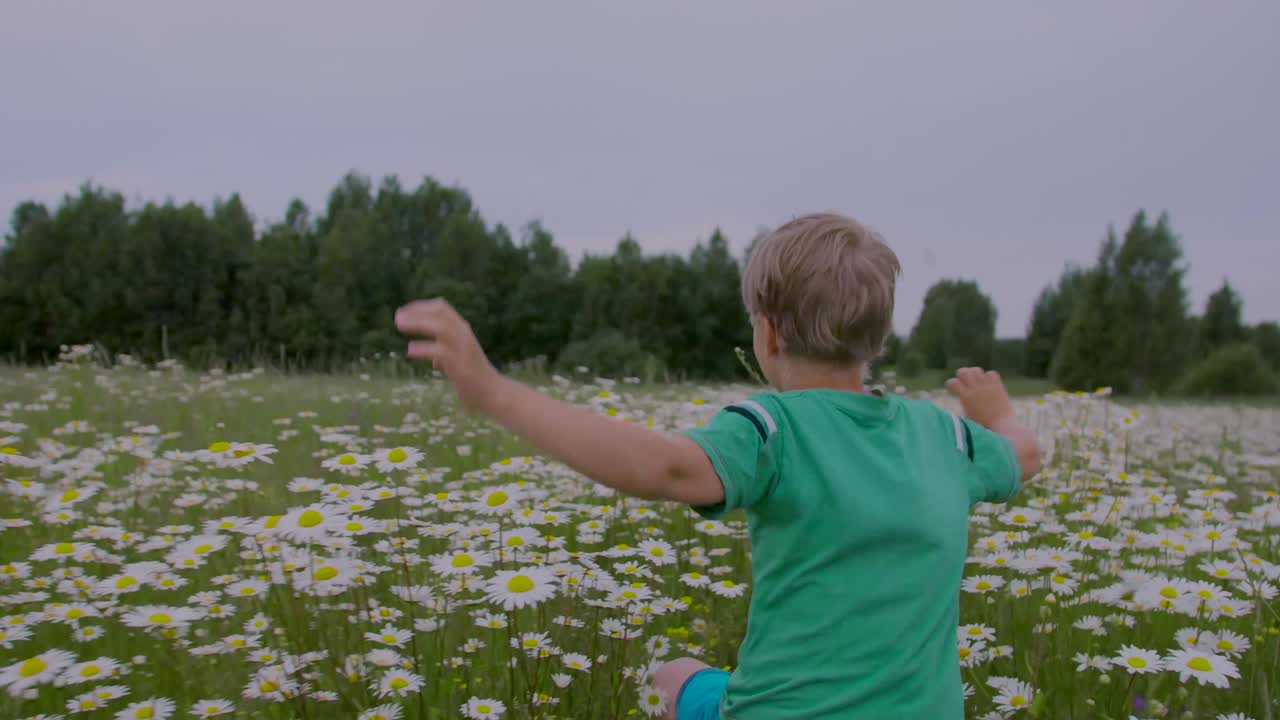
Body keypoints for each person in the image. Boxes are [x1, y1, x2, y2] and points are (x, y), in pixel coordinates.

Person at [394, 212, 1041, 719]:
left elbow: (666, 469)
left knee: (669, 676)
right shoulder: (946, 437)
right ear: (879, 336)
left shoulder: (772, 429)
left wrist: (496, 394)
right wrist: (998, 412)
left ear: (769, 333)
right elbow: (1026, 454)